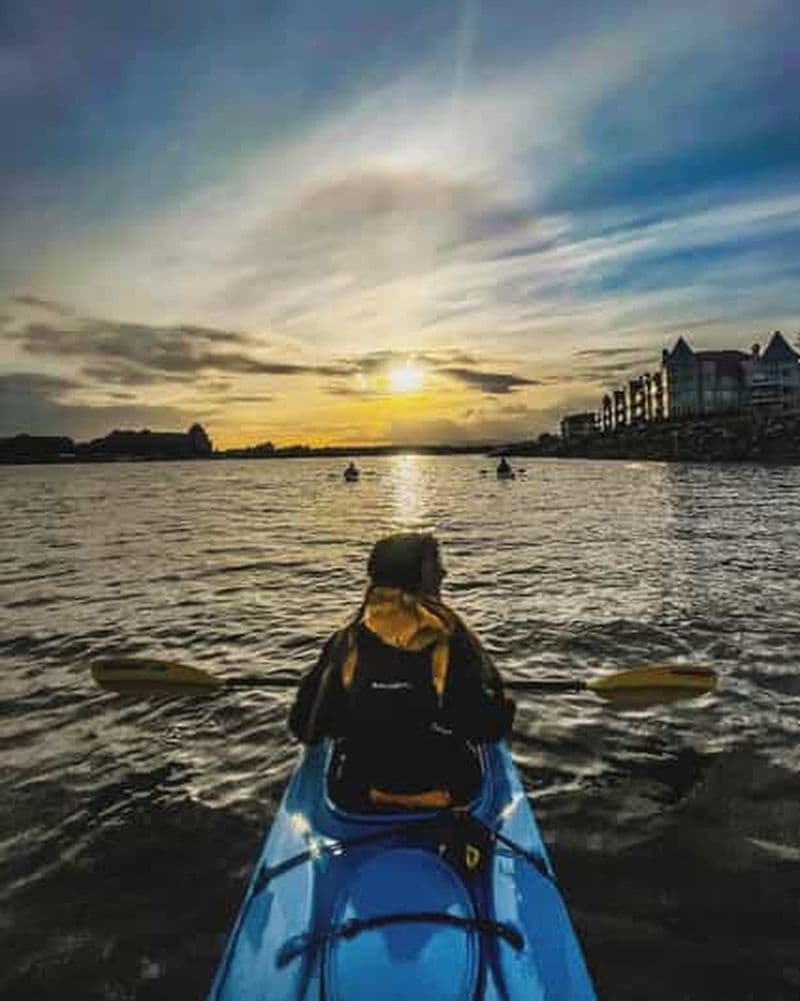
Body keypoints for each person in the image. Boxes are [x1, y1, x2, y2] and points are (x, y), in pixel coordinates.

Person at [289, 532, 515, 809]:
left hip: (356, 792)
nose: (444, 572)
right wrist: (506, 707)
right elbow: (488, 730)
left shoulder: (345, 642)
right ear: (416, 578)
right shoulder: (453, 642)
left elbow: (303, 728)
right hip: (450, 789)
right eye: (435, 566)